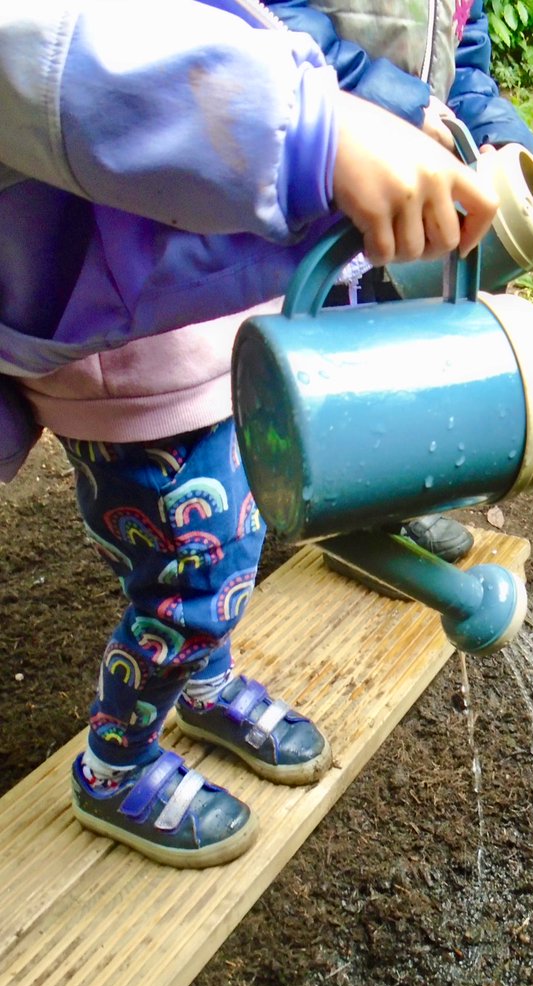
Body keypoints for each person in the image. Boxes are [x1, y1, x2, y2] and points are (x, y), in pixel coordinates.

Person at [0, 0, 498, 868]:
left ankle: (204, 678)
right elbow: (68, 57)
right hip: (127, 355)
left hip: (198, 319)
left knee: (228, 537)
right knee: (192, 574)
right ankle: (115, 764)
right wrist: (313, 131)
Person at [266, 0, 533, 566]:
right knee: (318, 344)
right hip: (319, 161)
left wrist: (497, 134)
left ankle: (382, 497)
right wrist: (392, 103)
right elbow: (273, 21)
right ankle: (315, 490)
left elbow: (465, 66)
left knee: (393, 345)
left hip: (410, 191)